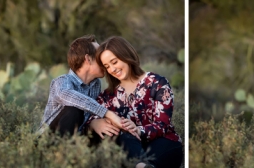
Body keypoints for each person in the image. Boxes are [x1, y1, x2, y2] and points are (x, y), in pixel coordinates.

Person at [86, 36, 183, 168]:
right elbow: (92, 113)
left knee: (151, 157)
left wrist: (138, 130)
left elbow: (163, 124)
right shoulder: (108, 95)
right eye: (107, 66)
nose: (112, 69)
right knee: (125, 137)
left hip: (163, 141)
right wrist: (93, 123)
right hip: (130, 146)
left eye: (114, 62)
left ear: (126, 55)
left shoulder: (157, 83)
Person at [38, 35, 126, 137]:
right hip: (46, 140)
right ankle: (57, 152)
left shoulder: (96, 84)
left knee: (109, 129)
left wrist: (94, 123)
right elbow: (67, 95)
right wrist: (107, 113)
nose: (103, 60)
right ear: (88, 59)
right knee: (74, 110)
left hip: (77, 138)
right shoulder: (62, 81)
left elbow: (91, 115)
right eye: (99, 56)